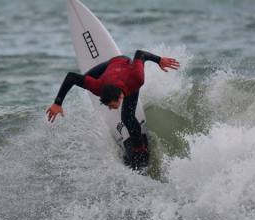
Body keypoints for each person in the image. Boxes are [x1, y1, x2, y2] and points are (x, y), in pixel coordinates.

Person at [46, 50, 180, 170]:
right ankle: (137, 145)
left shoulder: (137, 78)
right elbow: (71, 77)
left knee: (127, 117)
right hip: (112, 64)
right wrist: (57, 103)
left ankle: (140, 148)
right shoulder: (98, 87)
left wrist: (159, 60)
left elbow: (140, 54)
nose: (110, 108)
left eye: (111, 105)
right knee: (85, 79)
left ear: (121, 96)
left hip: (125, 68)